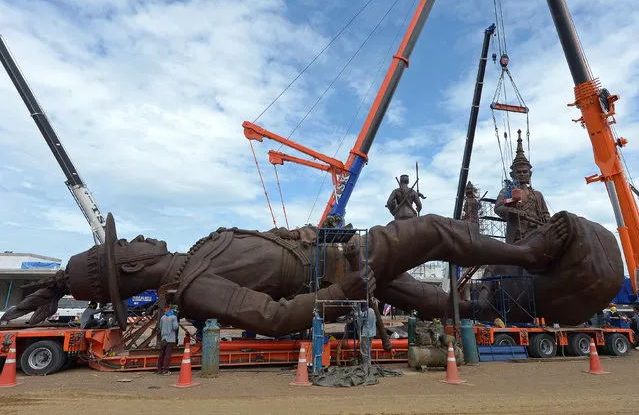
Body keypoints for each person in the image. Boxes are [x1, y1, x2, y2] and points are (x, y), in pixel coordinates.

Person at [1, 209, 624, 337]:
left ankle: (505, 304)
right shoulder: (193, 285)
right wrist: (344, 292)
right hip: (341, 270)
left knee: (433, 302)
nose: (135, 235)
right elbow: (274, 319)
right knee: (429, 231)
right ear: (130, 263)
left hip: (337, 255)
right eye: (127, 242)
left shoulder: (198, 251)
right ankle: (538, 253)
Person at [495, 130, 550, 244]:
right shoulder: (508, 191)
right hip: (517, 234)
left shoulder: (537, 195)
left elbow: (545, 214)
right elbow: (498, 208)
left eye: (525, 171)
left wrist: (548, 223)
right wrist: (512, 212)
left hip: (537, 232)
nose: (522, 174)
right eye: (518, 172)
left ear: (530, 174)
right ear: (512, 175)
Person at [157, 307, 178, 375]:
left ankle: (159, 369)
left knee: (161, 354)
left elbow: (160, 327)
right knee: (167, 355)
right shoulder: (173, 317)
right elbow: (175, 327)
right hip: (170, 339)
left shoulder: (162, 317)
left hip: (163, 338)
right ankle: (165, 370)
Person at [358, 302, 376, 368]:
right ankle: (369, 365)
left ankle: (366, 366)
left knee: (364, 351)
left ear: (363, 308)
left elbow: (360, 324)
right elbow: (375, 320)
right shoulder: (372, 310)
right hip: (372, 333)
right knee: (368, 350)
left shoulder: (364, 313)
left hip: (365, 334)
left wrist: (359, 314)